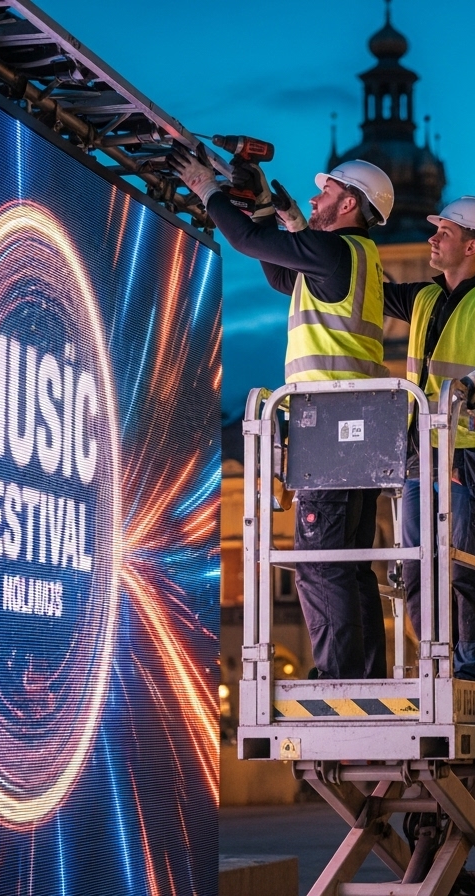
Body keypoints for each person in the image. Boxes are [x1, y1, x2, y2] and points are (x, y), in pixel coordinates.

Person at [171, 147, 393, 680]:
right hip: (359, 425)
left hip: (334, 428)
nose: (316, 198)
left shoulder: (335, 252)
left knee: (319, 564)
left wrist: (208, 191)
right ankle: (361, 674)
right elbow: (279, 276)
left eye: (327, 192)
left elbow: (248, 243)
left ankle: (337, 677)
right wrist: (265, 205)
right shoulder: (357, 257)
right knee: (347, 563)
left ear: (350, 204)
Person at [382, 197, 475, 681]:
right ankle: (433, 660)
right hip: (419, 454)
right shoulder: (424, 298)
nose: (432, 239)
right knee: (415, 564)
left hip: (472, 456)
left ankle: (471, 671)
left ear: (472, 246)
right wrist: (304, 230)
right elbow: (362, 285)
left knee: (469, 569)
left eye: (443, 233)